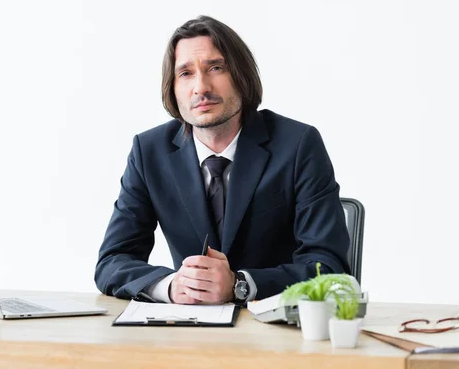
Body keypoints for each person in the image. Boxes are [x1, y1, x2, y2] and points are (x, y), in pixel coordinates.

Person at [94, 15, 350, 305]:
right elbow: (112, 262)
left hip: (276, 333)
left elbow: (329, 268)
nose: (201, 87)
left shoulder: (298, 144)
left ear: (241, 76)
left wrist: (239, 284)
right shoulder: (148, 151)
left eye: (215, 68)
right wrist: (171, 286)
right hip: (190, 333)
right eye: (186, 73)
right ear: (173, 88)